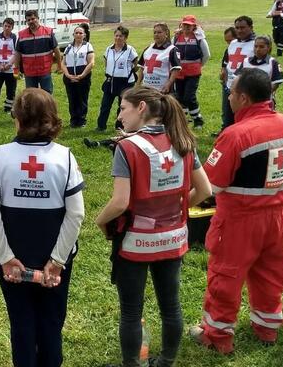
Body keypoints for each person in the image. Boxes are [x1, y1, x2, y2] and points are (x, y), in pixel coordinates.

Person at [95, 87, 211, 367]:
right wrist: (178, 211)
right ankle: (166, 362)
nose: (120, 115)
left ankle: (132, 364)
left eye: (123, 108)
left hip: (136, 241)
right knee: (170, 306)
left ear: (141, 107)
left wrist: (100, 221)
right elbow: (204, 189)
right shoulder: (183, 140)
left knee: (131, 312)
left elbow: (120, 202)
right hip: (173, 238)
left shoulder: (127, 147)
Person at [190, 68, 283, 354]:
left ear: (242, 97)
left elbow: (211, 185)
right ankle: (267, 327)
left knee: (225, 275)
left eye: (231, 92)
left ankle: (216, 335)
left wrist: (179, 206)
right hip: (276, 216)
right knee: (270, 272)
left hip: (239, 218)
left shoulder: (236, 135)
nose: (229, 97)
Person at [0, 88, 86, 366]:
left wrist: (4, 257)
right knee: (52, 322)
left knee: (21, 323)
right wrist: (57, 261)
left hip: (14, 258)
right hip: (55, 258)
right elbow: (76, 214)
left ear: (17, 118)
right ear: (50, 117)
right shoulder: (65, 157)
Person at [97, 26, 139, 132]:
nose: (118, 38)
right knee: (105, 105)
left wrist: (128, 71)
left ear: (125, 38)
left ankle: (119, 126)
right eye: (116, 35)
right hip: (111, 81)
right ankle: (101, 126)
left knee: (122, 106)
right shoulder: (109, 49)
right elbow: (106, 62)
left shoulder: (130, 50)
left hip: (125, 83)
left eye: (121, 36)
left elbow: (136, 65)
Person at [173, 15, 210, 128]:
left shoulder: (199, 38)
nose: (187, 27)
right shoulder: (176, 37)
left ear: (194, 26)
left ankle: (197, 118)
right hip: (179, 73)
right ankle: (183, 119)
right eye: (185, 25)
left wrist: (198, 65)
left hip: (193, 73)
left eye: (189, 25)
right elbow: (171, 52)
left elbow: (207, 55)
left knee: (189, 97)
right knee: (180, 96)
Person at [219, 16, 256, 131]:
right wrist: (224, 78)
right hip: (229, 86)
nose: (239, 30)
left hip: (246, 87)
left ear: (251, 27)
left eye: (243, 27)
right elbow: (226, 63)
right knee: (228, 115)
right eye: (237, 28)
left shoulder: (257, 43)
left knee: (245, 116)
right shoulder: (233, 43)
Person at [14, 10, 62, 93]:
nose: (31, 21)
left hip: (45, 70)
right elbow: (17, 53)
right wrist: (16, 69)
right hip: (29, 72)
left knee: (47, 95)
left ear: (38, 18)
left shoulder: (48, 32)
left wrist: (59, 65)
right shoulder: (22, 35)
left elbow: (56, 49)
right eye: (28, 20)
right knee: (31, 96)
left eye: (33, 19)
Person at [236, 36, 283, 107]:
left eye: (261, 47)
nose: (258, 49)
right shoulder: (246, 61)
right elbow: (238, 79)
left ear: (268, 48)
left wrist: (260, 95)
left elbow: (276, 83)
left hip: (264, 102)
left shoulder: (273, 63)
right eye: (255, 46)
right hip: (246, 100)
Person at [61, 24, 94, 127]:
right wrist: (67, 75)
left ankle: (81, 120)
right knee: (72, 99)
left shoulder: (88, 46)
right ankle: (73, 120)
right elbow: (63, 63)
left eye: (81, 33)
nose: (78, 35)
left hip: (83, 78)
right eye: (76, 33)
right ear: (73, 34)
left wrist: (82, 75)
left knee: (82, 99)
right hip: (70, 78)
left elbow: (91, 62)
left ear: (84, 35)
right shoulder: (68, 47)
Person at [137, 23, 181, 94]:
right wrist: (138, 84)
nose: (156, 34)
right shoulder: (148, 49)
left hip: (162, 90)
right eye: (154, 32)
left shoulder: (172, 50)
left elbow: (176, 69)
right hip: (146, 89)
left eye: (159, 32)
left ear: (166, 33)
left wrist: (168, 84)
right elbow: (142, 68)